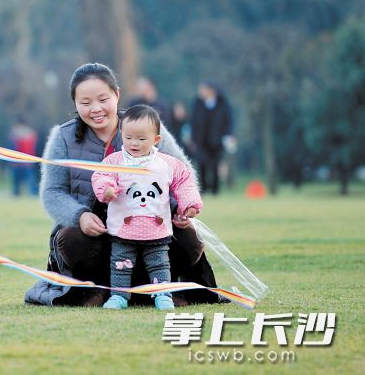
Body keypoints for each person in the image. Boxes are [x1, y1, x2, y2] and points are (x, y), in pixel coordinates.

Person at [24, 63, 220, 307]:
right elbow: (53, 192)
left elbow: (182, 173)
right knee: (72, 240)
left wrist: (181, 207)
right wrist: (80, 216)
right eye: (85, 103)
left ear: (117, 93)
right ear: (74, 103)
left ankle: (160, 289)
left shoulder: (146, 126)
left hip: (149, 225)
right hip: (95, 232)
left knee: (191, 242)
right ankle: (96, 290)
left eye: (103, 99)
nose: (95, 109)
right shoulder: (62, 137)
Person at [91, 105, 203, 310]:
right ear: (121, 135)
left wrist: (189, 206)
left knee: (159, 264)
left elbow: (184, 181)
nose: (134, 143)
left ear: (156, 139)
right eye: (128, 137)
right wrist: (106, 189)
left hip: (157, 229)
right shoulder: (114, 162)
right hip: (123, 229)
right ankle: (119, 296)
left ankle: (162, 295)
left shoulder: (167, 163)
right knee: (120, 264)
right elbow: (101, 175)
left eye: (141, 139)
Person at [190, 81, 235, 195]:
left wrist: (228, 135)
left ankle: (215, 190)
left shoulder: (222, 103)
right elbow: (193, 121)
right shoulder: (197, 103)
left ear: (211, 91)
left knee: (215, 165)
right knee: (201, 165)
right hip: (201, 141)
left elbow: (228, 121)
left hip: (217, 141)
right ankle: (204, 189)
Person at [8, 118, 39, 196]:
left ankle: (32, 193)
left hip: (26, 161)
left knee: (30, 180)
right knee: (17, 181)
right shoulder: (14, 134)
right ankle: (16, 193)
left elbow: (31, 147)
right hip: (17, 162)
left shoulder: (29, 134)